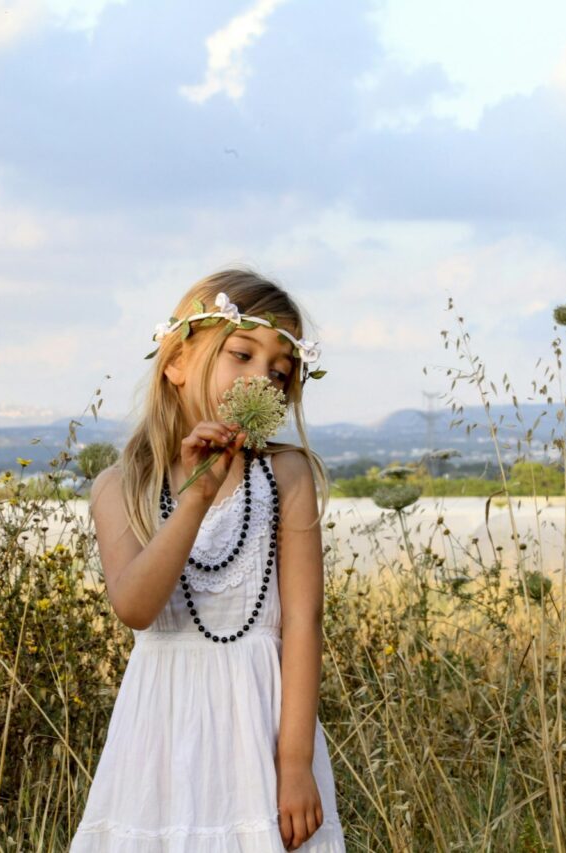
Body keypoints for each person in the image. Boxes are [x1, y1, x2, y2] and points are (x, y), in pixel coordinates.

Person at [69, 269, 346, 851]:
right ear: (176, 364)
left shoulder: (287, 474)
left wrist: (293, 762)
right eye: (241, 355)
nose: (262, 379)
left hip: (262, 730)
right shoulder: (120, 487)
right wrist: (196, 494)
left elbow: (302, 622)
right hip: (160, 739)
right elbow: (137, 607)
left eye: (280, 371)